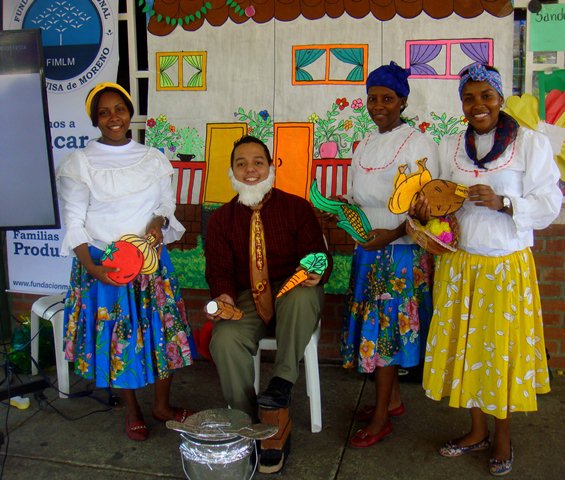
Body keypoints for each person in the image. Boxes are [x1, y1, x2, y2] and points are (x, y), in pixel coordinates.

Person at [420, 64, 562, 476]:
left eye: (486, 96)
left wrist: (504, 203)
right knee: (468, 351)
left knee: (500, 353)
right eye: (469, 98)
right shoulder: (450, 146)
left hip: (504, 267)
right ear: (461, 103)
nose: (477, 105)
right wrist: (429, 211)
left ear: (500, 98)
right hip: (461, 265)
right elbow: (441, 198)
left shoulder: (530, 145)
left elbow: (550, 204)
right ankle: (476, 430)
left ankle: (502, 435)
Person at [56, 82, 196, 442]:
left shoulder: (153, 158)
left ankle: (162, 406)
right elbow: (73, 222)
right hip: (106, 266)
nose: (113, 118)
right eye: (104, 112)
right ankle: (132, 409)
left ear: (130, 112)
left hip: (151, 265)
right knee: (121, 339)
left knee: (161, 334)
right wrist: (93, 269)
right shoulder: (80, 164)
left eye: (119, 109)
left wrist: (157, 222)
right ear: (95, 120)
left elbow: (166, 206)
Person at [204, 135, 332, 472]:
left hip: (293, 294)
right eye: (241, 163)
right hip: (247, 297)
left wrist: (316, 271)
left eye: (258, 162)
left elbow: (317, 256)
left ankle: (281, 384)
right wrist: (224, 296)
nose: (250, 170)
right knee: (225, 338)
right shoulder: (219, 221)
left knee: (302, 293)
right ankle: (249, 422)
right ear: (231, 170)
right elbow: (218, 271)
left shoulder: (297, 207)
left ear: (271, 166)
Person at [340, 61, 440, 448]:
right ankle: (392, 400)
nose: (378, 105)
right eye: (372, 98)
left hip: (399, 252)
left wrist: (393, 234)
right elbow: (357, 197)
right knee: (378, 327)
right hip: (369, 249)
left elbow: (427, 207)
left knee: (385, 334)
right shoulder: (364, 144)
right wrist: (343, 210)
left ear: (402, 101)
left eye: (387, 98)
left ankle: (380, 417)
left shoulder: (417, 144)